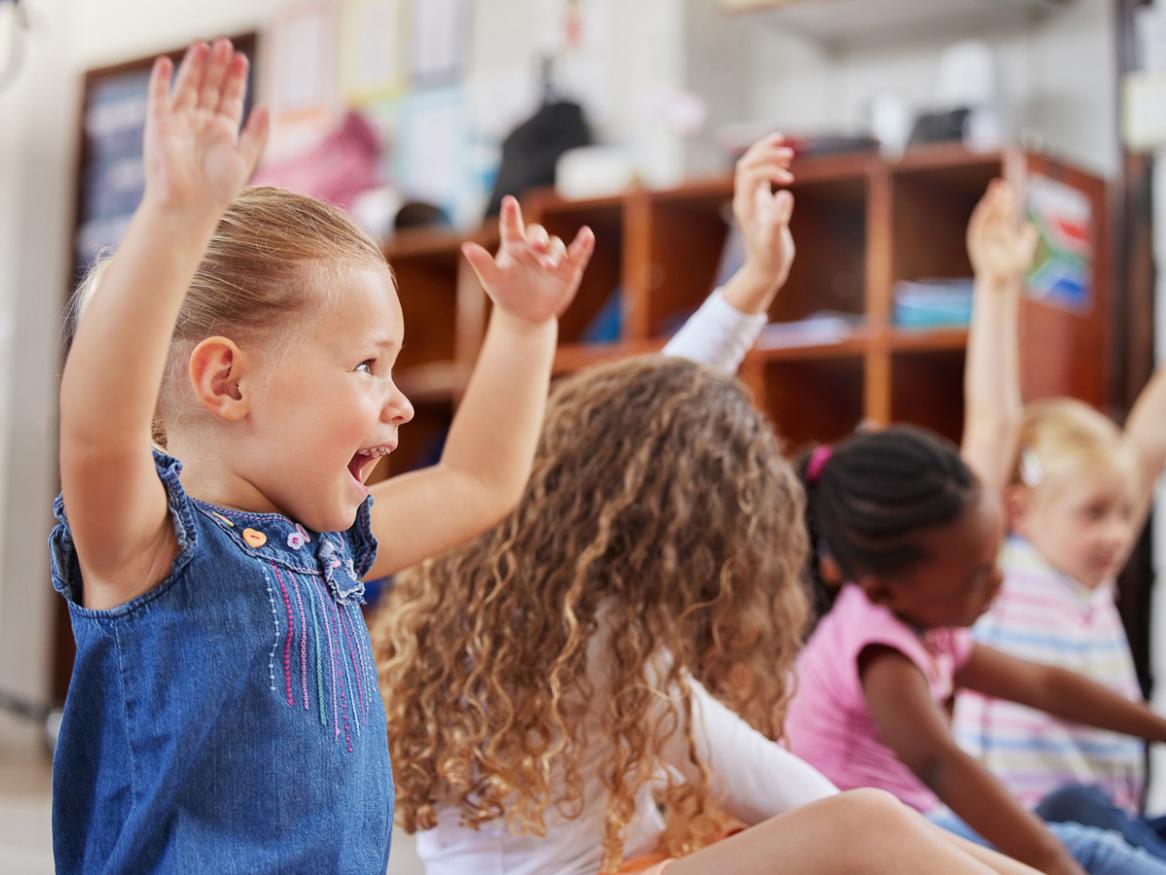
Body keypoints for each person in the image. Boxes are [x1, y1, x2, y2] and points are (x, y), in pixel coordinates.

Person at [374, 136, 1040, 875]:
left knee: (851, 826)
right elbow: (806, 801)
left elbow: (647, 421)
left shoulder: (512, 569)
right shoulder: (605, 647)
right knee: (862, 823)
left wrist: (758, 279)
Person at [51, 38, 593, 874]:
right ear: (225, 381)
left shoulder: (335, 547)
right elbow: (96, 425)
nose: (401, 402)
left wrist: (524, 328)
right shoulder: (148, 549)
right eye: (366, 365)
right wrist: (173, 219)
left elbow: (479, 481)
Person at [786, 424, 1166, 875]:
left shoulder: (918, 621)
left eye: (995, 561)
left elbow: (1044, 685)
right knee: (1089, 851)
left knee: (1077, 809)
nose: (998, 583)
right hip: (868, 849)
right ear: (886, 591)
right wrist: (1056, 864)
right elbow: (940, 766)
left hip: (911, 827)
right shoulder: (879, 651)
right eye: (976, 577)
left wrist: (1158, 728)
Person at [952, 180, 1166, 855]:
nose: (1115, 533)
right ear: (1018, 508)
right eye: (1095, 512)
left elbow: (1151, 440)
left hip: (1110, 826)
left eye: (1125, 514)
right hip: (1024, 831)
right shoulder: (996, 570)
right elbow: (992, 422)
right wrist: (996, 285)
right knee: (1087, 814)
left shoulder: (1090, 575)